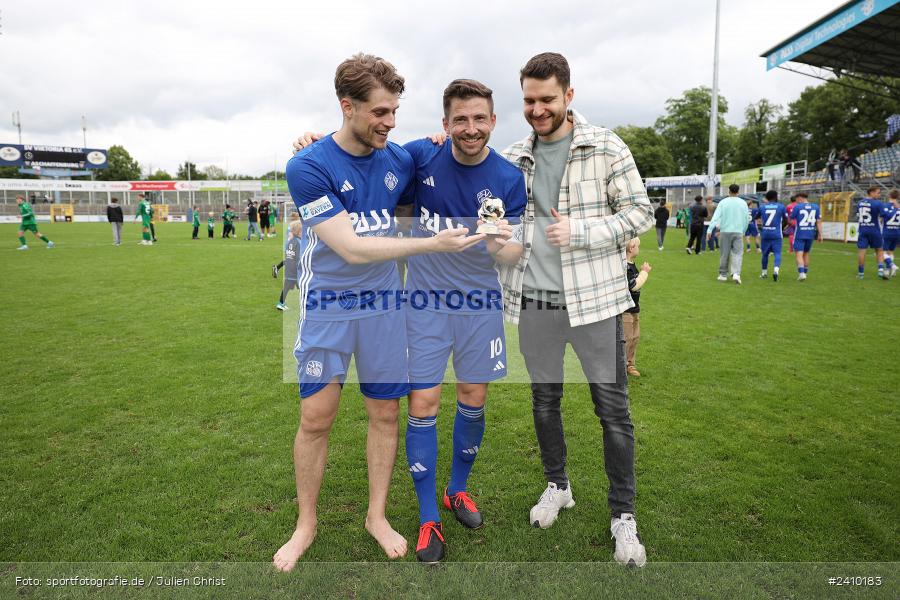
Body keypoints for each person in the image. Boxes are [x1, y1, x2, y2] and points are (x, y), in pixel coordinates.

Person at [293, 78, 528, 564]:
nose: (390, 121)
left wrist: (496, 243)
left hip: (441, 307)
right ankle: (408, 519)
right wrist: (313, 144)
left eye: (478, 118)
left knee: (448, 401)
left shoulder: (472, 170)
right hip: (385, 304)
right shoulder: (386, 158)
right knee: (387, 406)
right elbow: (353, 236)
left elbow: (515, 248)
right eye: (459, 120)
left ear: (493, 121)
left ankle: (437, 497)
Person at [499, 53, 652, 568]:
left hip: (596, 304)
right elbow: (464, 167)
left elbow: (640, 212)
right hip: (536, 305)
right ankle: (557, 486)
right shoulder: (514, 155)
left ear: (569, 95)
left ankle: (623, 515)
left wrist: (582, 232)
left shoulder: (605, 145)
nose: (538, 109)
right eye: (529, 100)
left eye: (547, 99)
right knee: (544, 403)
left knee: (612, 413)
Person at [706, 184, 750, 284]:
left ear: (728, 191)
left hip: (725, 231)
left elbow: (715, 217)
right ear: (738, 191)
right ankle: (736, 273)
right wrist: (743, 231)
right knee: (738, 253)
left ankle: (723, 274)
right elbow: (746, 219)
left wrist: (709, 230)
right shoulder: (743, 203)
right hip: (738, 231)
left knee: (724, 253)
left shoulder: (723, 202)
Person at [623, 238, 651, 377]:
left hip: (635, 308)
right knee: (626, 338)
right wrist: (644, 272)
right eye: (638, 246)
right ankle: (621, 365)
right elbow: (634, 286)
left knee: (635, 337)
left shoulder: (632, 264)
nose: (639, 248)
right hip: (626, 310)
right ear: (631, 248)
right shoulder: (625, 267)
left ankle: (630, 364)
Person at [791, 193, 823, 281]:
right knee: (806, 253)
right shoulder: (816, 207)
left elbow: (791, 218)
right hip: (810, 234)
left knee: (799, 254)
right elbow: (819, 221)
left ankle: (801, 274)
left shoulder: (798, 207)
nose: (796, 201)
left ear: (800, 198)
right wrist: (820, 234)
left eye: (796, 199)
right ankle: (805, 273)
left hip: (800, 233)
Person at [856, 186, 885, 279]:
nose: (879, 195)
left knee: (862, 252)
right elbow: (883, 215)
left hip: (863, 229)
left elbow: (858, 214)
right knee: (879, 250)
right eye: (878, 192)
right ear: (871, 192)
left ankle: (861, 274)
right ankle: (880, 271)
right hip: (874, 230)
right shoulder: (878, 203)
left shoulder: (860, 203)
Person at [758, 190, 787, 282]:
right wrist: (782, 227)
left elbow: (756, 217)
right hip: (777, 233)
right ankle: (776, 270)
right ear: (775, 196)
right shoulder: (781, 207)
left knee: (765, 254)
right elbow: (786, 220)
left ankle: (764, 273)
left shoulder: (762, 207)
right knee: (777, 253)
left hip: (766, 233)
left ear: (767, 197)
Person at [276, 220, 303, 310]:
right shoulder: (299, 243)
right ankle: (306, 305)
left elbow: (288, 255)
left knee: (286, 288)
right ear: (298, 232)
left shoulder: (290, 241)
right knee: (304, 287)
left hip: (289, 270)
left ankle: (281, 303)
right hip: (296, 271)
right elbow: (299, 258)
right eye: (302, 231)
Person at [882, 189, 899, 278]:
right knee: (891, 252)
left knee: (882, 252)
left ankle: (892, 266)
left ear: (889, 195)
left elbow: (884, 216)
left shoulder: (886, 206)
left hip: (887, 232)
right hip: (897, 231)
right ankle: (889, 271)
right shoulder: (899, 206)